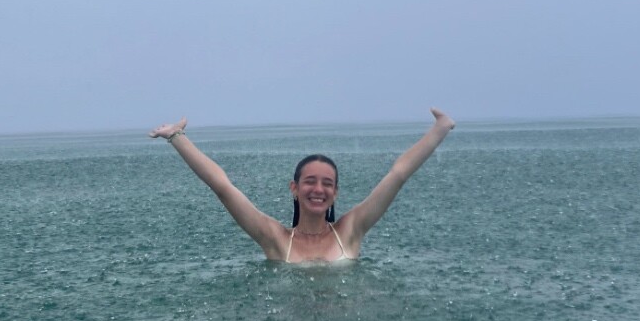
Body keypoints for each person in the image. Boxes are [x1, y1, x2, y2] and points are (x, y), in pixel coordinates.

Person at [148, 108, 456, 263]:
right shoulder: (275, 239)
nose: (318, 189)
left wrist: (440, 129)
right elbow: (223, 188)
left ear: (335, 193)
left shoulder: (351, 230)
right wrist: (177, 137)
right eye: (309, 181)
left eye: (327, 184)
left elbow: (397, 175)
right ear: (294, 189)